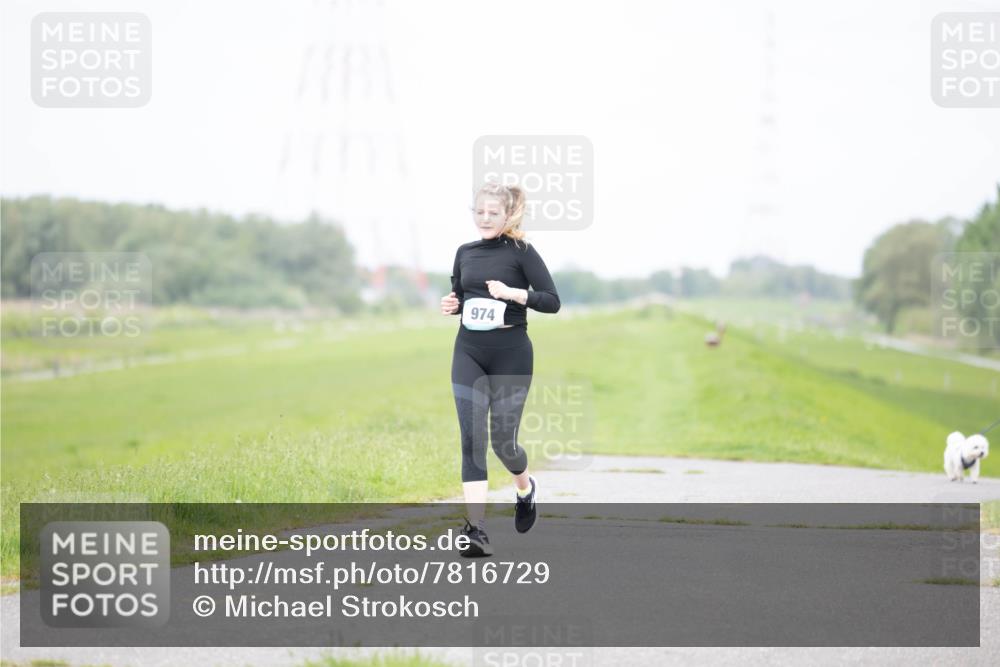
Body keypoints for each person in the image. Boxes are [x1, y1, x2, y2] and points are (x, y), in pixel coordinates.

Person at [440, 181, 561, 557]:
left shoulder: (522, 252)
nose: (486, 218)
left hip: (512, 354)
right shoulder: (465, 252)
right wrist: (452, 304)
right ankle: (476, 530)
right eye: (480, 212)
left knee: (503, 442)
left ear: (508, 215)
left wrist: (513, 294)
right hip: (469, 352)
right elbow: (462, 296)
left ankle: (524, 489)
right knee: (471, 441)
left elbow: (552, 302)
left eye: (494, 213)